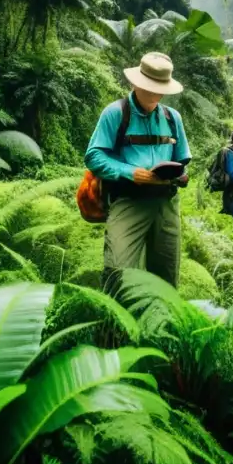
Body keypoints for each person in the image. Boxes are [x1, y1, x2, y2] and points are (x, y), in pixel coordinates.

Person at [85, 52, 190, 292]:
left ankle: (159, 327)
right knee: (117, 272)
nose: (155, 93)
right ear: (135, 82)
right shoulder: (115, 113)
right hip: (128, 200)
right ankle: (114, 329)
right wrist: (130, 172)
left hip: (166, 204)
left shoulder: (173, 118)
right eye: (150, 86)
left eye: (160, 87)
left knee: (166, 278)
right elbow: (93, 156)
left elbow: (182, 158)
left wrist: (179, 174)